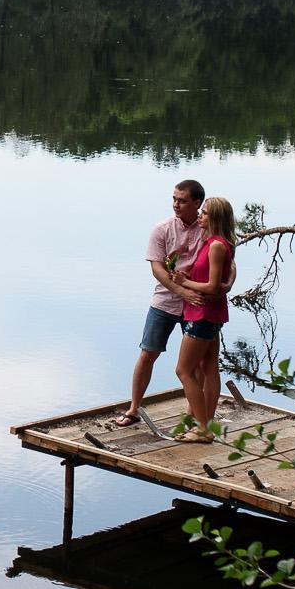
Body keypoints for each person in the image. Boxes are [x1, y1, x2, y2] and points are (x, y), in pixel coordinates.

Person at [117, 180, 208, 428]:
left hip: (197, 302)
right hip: (165, 301)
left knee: (197, 362)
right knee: (148, 353)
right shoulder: (162, 229)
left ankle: (192, 414)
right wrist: (182, 291)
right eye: (174, 199)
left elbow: (224, 260)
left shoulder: (207, 228)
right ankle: (134, 408)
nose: (176, 205)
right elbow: (157, 270)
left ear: (197, 203)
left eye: (182, 200)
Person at [172, 195, 236, 442]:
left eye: (205, 212)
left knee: (184, 370)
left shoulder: (217, 245)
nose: (200, 215)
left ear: (216, 218)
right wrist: (189, 272)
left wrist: (183, 282)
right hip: (207, 314)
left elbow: (212, 286)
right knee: (209, 368)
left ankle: (202, 429)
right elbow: (226, 274)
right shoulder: (211, 243)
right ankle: (206, 424)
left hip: (203, 315)